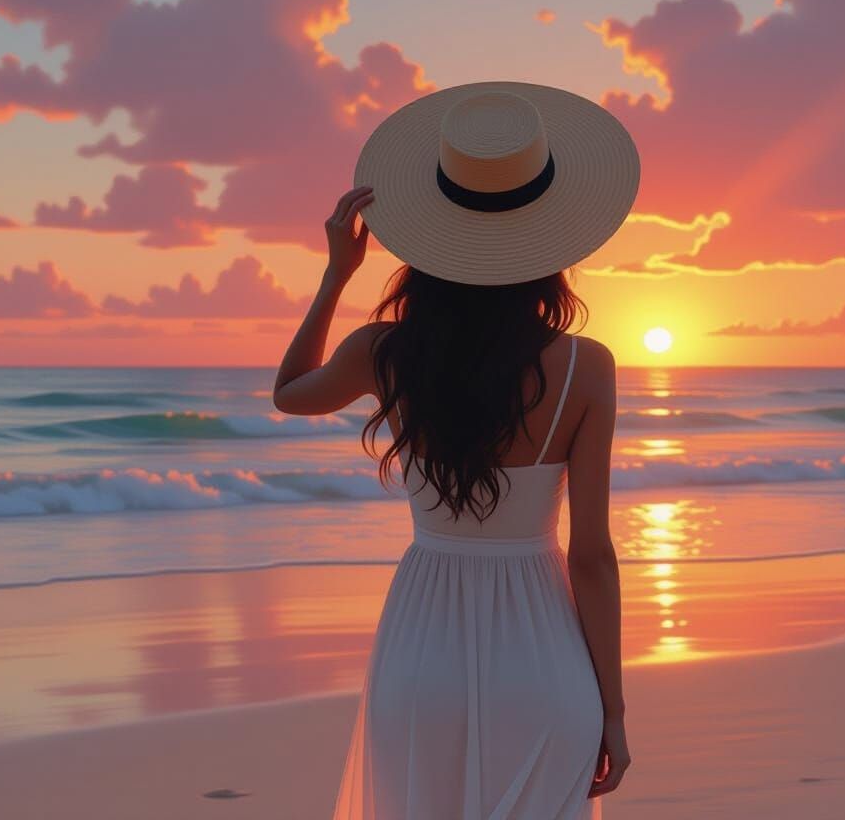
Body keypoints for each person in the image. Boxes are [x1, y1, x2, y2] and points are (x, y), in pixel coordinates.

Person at [274, 81, 640, 818]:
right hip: (544, 661)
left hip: (422, 652)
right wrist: (615, 712)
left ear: (429, 234)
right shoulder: (587, 368)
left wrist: (335, 276)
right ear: (553, 239)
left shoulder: (385, 352)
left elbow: (290, 392)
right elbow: (592, 555)